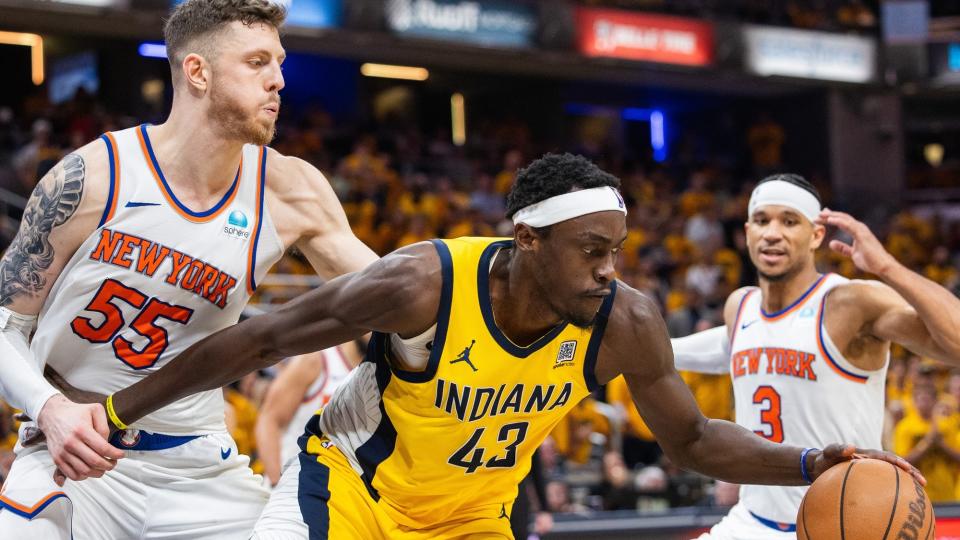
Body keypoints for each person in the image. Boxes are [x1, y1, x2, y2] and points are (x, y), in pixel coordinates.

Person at [51, 153, 920, 540]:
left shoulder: (625, 318)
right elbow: (261, 337)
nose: (608, 270)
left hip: (472, 516)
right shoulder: (420, 283)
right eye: (592, 250)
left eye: (617, 250)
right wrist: (114, 408)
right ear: (529, 243)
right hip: (354, 494)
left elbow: (692, 442)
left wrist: (813, 463)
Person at [0, 0, 377, 537]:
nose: (279, 82)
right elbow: (3, 323)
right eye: (257, 62)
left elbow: (393, 295)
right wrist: (49, 408)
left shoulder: (290, 190)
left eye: (280, 62)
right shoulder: (94, 176)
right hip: (74, 456)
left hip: (198, 467)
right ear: (197, 71)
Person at [671, 173, 960, 538]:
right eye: (762, 221)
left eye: (789, 221)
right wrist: (645, 350)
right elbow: (728, 348)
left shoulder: (849, 302)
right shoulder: (739, 306)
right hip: (750, 522)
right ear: (746, 233)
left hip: (840, 524)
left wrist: (886, 266)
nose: (772, 232)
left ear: (817, 235)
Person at [255, 341, 363, 487]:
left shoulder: (377, 376)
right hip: (291, 486)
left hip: (335, 493)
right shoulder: (317, 359)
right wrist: (277, 483)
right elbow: (269, 419)